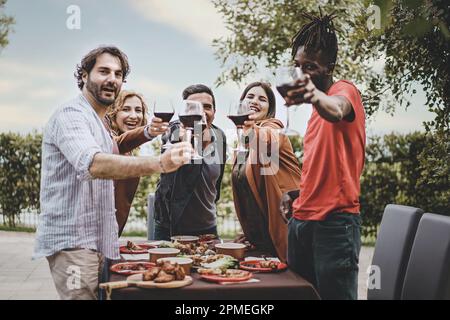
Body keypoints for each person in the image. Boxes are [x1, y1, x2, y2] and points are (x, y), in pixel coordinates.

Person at [33, 46, 192, 300]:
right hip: (74, 244)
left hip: (99, 242)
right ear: (84, 75)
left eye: (118, 74)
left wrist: (148, 132)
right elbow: (94, 164)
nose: (112, 79)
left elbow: (121, 142)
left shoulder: (99, 123)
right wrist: (160, 163)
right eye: (104, 71)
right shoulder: (71, 116)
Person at [280, 12, 366, 300]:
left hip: (334, 226)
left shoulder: (344, 91)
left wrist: (314, 96)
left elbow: (338, 108)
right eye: (298, 66)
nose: (302, 73)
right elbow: (324, 169)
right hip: (301, 222)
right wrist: (297, 193)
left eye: (311, 67)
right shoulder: (316, 113)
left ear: (330, 65)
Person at [231, 82, 301, 262]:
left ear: (269, 109)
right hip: (262, 239)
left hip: (287, 231)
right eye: (250, 97)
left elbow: (266, 138)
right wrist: (250, 232)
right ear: (241, 102)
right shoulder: (241, 147)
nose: (255, 101)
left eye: (262, 99)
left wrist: (250, 129)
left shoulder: (273, 129)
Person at [153, 84, 227, 240]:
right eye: (195, 107)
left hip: (208, 227)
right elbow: (170, 137)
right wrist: (183, 138)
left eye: (207, 107)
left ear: (214, 111)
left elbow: (217, 184)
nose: (201, 111)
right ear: (185, 111)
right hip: (170, 228)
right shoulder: (175, 130)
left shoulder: (220, 136)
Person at [106, 90, 168, 236]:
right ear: (113, 112)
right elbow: (114, 144)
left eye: (138, 110)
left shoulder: (129, 149)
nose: (134, 116)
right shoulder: (107, 140)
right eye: (126, 109)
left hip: (112, 234)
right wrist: (147, 132)